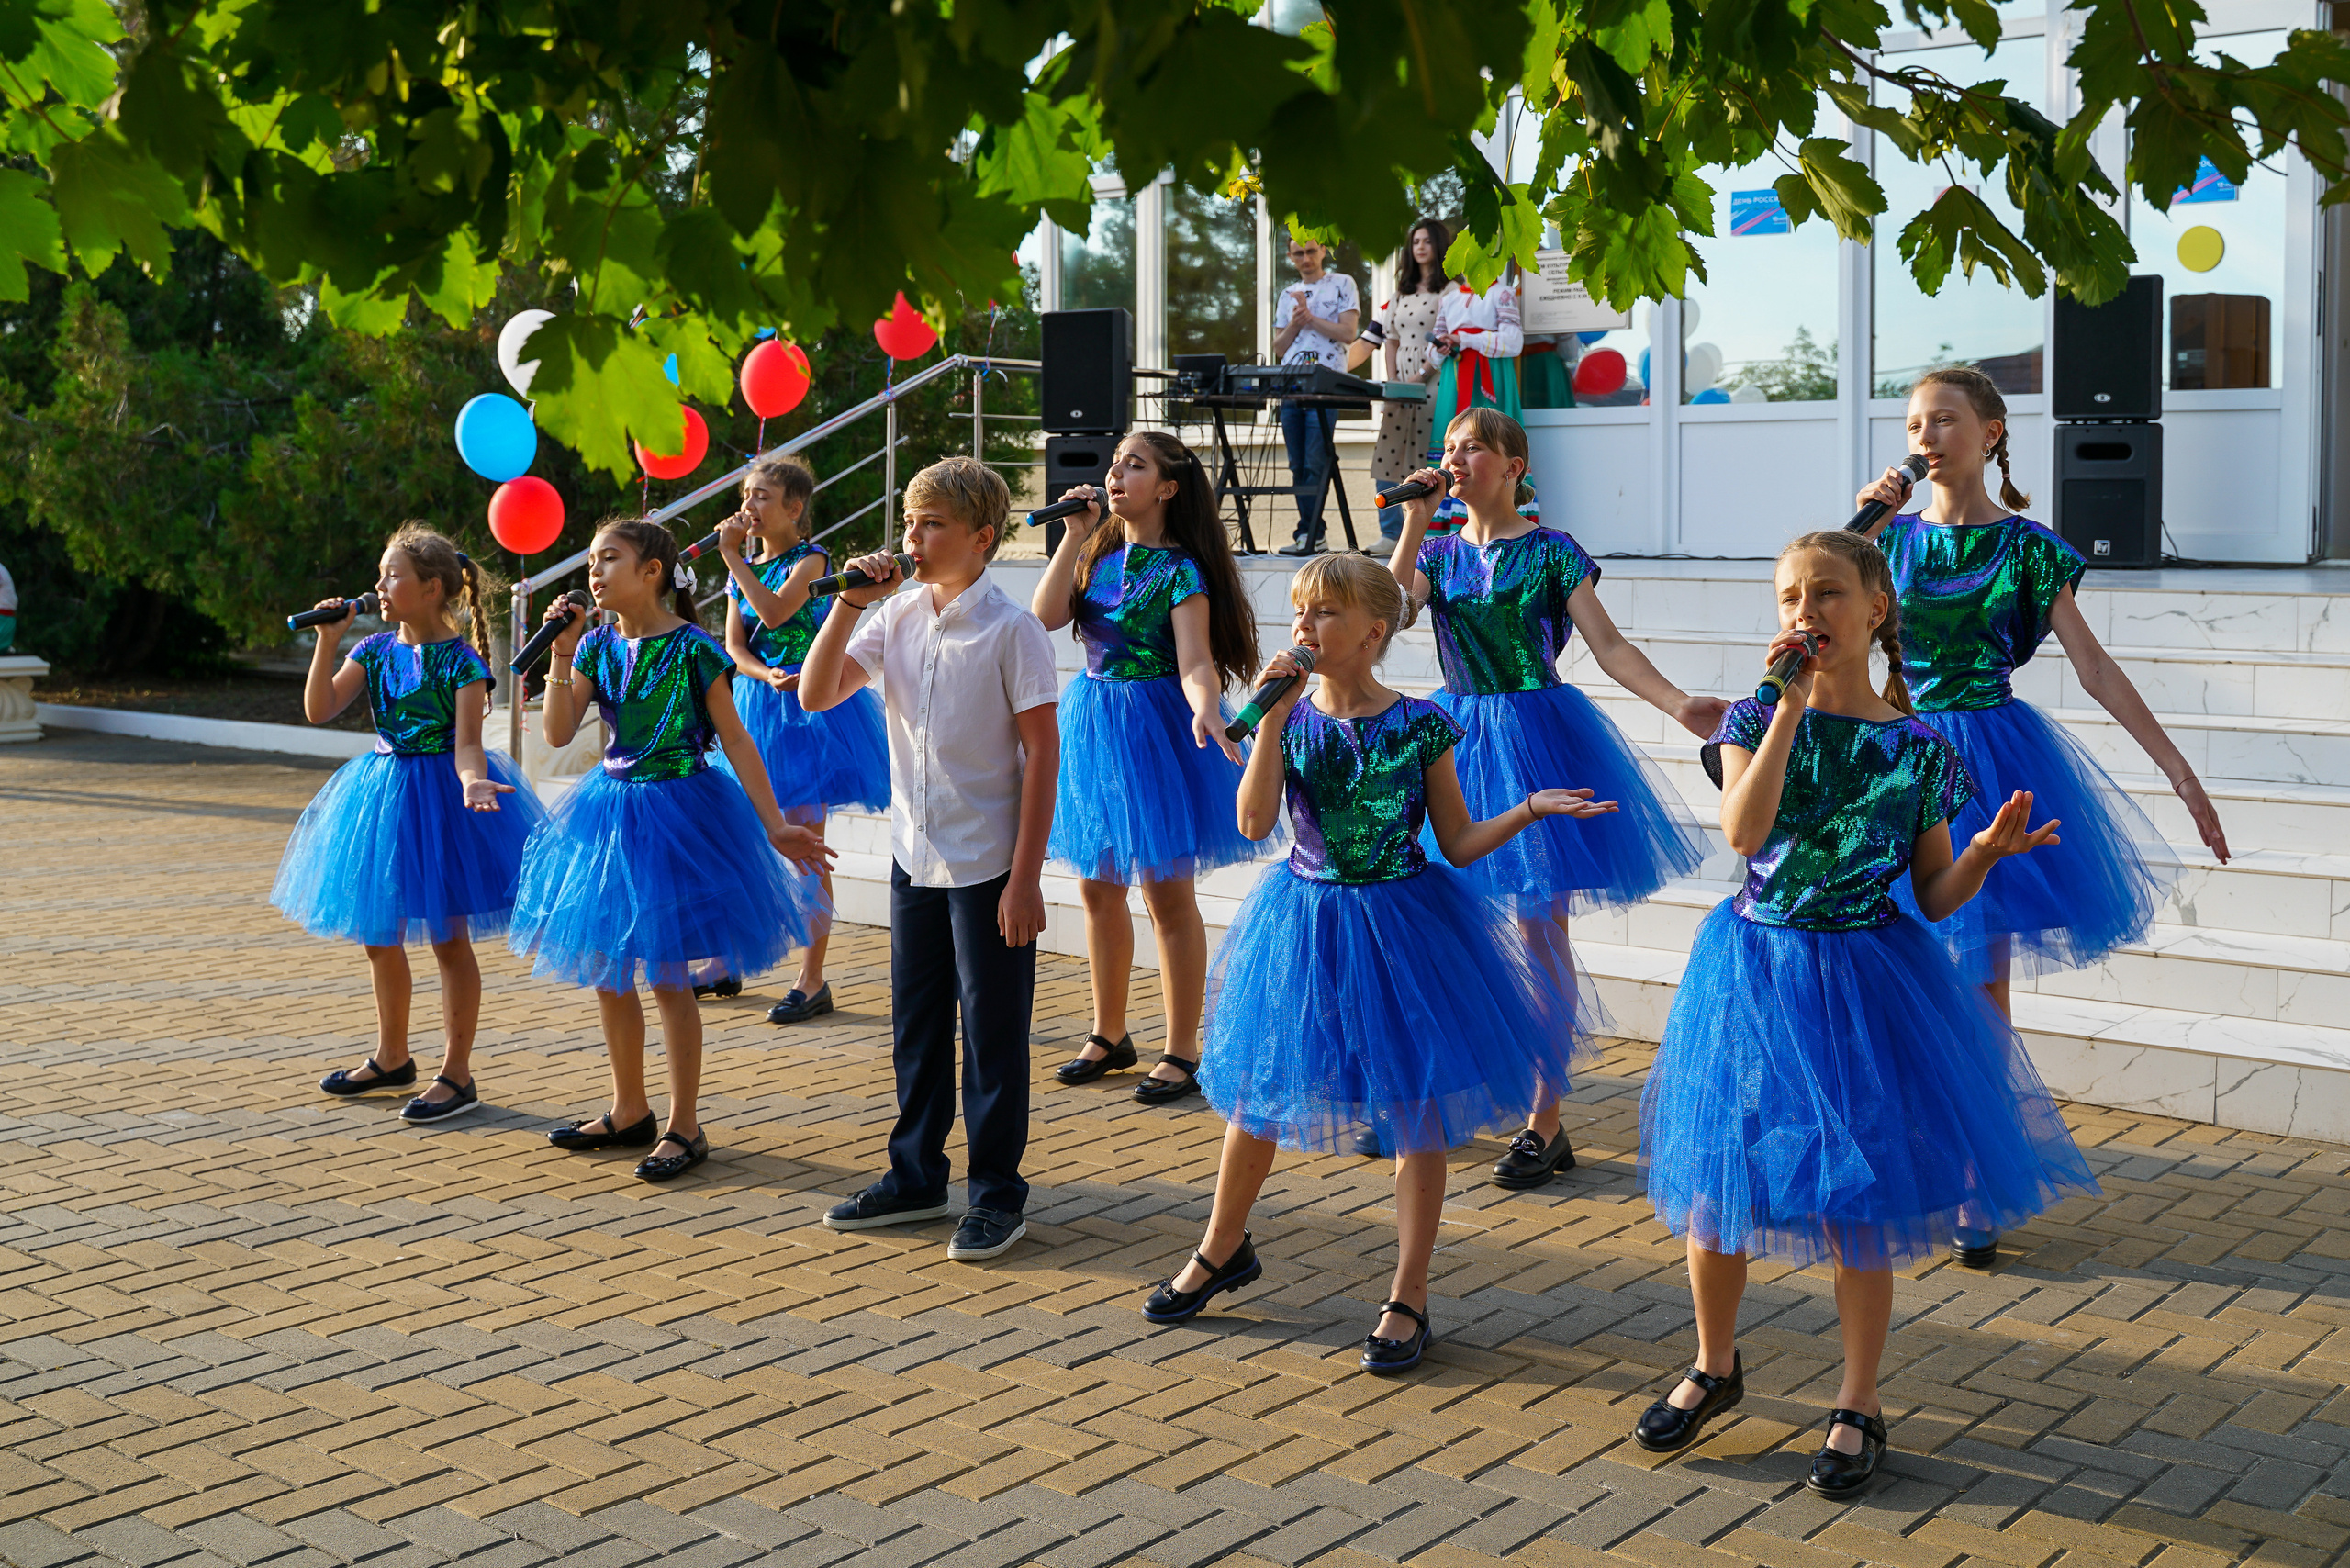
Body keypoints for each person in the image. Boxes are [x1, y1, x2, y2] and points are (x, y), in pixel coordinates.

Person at [1635, 530, 2097, 1497]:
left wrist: (1983, 857)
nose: (1806, 614)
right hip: (1757, 970)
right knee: (1723, 1186)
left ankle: (1857, 1398)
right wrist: (1788, 713)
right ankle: (1715, 1363)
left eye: (1828, 594)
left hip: (1868, 980)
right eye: (1790, 597)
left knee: (1861, 1207)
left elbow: (1932, 892)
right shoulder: (1755, 712)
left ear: (1876, 608)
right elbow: (1744, 829)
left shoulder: (1918, 746)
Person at [1142, 554, 1612, 1371]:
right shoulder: (1290, 717)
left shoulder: (1421, 723)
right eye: (1299, 613)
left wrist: (1532, 807)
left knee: (1414, 1103)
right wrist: (1277, 721)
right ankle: (1222, 1247)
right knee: (1259, 1089)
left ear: (1373, 631)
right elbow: (1255, 824)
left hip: (1405, 922)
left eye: (1322, 614)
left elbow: (1458, 843)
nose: (1304, 628)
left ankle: (1409, 1292)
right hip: (1308, 917)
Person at [1854, 365, 2226, 1266]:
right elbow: (1810, 617)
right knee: (1896, 976)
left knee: (1979, 985)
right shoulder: (1885, 542)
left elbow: (2093, 668)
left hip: (1990, 769)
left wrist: (2177, 771)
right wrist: (1855, 521)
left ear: (1990, 433)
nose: (1926, 433)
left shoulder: (2027, 548)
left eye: (1944, 418)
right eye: (1914, 421)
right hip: (1898, 765)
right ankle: (1909, 1156)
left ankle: (1979, 1172)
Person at [1386, 408, 1718, 1187]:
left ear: (1513, 466)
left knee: (1540, 929)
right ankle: (1443, 1094)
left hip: (1539, 733)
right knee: (1444, 922)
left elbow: (1608, 647)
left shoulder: (1552, 553)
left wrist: (1676, 704)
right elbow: (1392, 615)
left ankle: (1545, 1119)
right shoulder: (1434, 550)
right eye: (1450, 448)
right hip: (1457, 737)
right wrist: (1412, 524)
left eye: (1473, 448)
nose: (1456, 459)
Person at [509, 518, 832, 1182]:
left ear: (652, 571)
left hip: (680, 809)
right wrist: (562, 655)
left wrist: (773, 825)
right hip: (609, 811)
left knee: (666, 975)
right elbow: (562, 727)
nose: (594, 574)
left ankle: (686, 1124)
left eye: (609, 560)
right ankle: (631, 1109)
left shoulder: (691, 646)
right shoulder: (597, 646)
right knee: (607, 969)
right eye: (592, 562)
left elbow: (737, 739)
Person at [800, 458, 1060, 1263]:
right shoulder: (899, 614)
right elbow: (816, 692)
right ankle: (914, 1176)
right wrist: (848, 604)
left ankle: (996, 1195)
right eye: (909, 522)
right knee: (917, 1028)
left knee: (991, 1034)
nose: (912, 538)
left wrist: (1025, 878)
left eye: (932, 524)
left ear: (982, 538)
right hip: (917, 856)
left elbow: (1043, 756)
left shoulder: (1012, 630)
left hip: (988, 865)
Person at [1031, 431, 1273, 1106]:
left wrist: (1206, 708)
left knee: (1168, 894)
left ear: (1167, 487)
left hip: (1158, 725)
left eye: (1134, 466)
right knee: (1097, 887)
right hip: (1095, 720)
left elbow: (1196, 661)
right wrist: (1074, 536)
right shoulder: (1096, 551)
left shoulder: (1181, 570)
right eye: (1114, 465)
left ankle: (1182, 1047)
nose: (1115, 475)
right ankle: (1110, 1032)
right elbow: (1045, 617)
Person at [272, 526, 545, 1124]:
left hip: (444, 799)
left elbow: (468, 746)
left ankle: (457, 1073)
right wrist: (328, 642)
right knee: (379, 934)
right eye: (380, 574)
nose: (379, 586)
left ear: (432, 588)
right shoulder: (372, 652)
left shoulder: (463, 663)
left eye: (392, 575)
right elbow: (320, 709)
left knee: (450, 939)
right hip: (383, 793)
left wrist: (472, 781)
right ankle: (391, 1056)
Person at [714, 453, 890, 1025]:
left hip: (810, 713)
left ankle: (812, 978)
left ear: (795, 508)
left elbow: (774, 609)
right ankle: (729, 957)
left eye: (762, 497)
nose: (749, 507)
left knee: (805, 848)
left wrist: (734, 559)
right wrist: (763, 674)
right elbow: (736, 646)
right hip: (758, 706)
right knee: (741, 838)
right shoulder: (740, 565)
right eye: (746, 496)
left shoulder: (811, 559)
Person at [1362, 218, 1451, 553]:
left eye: (1427, 241)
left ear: (1439, 245)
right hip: (1401, 381)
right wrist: (1394, 383)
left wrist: (1420, 376)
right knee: (1391, 448)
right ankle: (1390, 532)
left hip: (1434, 379)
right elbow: (1391, 340)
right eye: (1415, 242)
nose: (1420, 247)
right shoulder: (1400, 293)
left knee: (1426, 451)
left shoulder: (1450, 291)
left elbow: (1444, 341)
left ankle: (1429, 533)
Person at [1271, 230, 1360, 557]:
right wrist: (1296, 324)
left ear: (1323, 250)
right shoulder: (1288, 293)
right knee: (1297, 464)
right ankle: (1310, 532)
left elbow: (1349, 333)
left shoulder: (1342, 283)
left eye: (1310, 251)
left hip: (1326, 385)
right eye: (1298, 254)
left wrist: (1311, 318)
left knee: (1315, 458)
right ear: (1290, 257)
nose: (1305, 259)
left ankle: (1309, 532)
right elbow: (1279, 347)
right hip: (1292, 385)